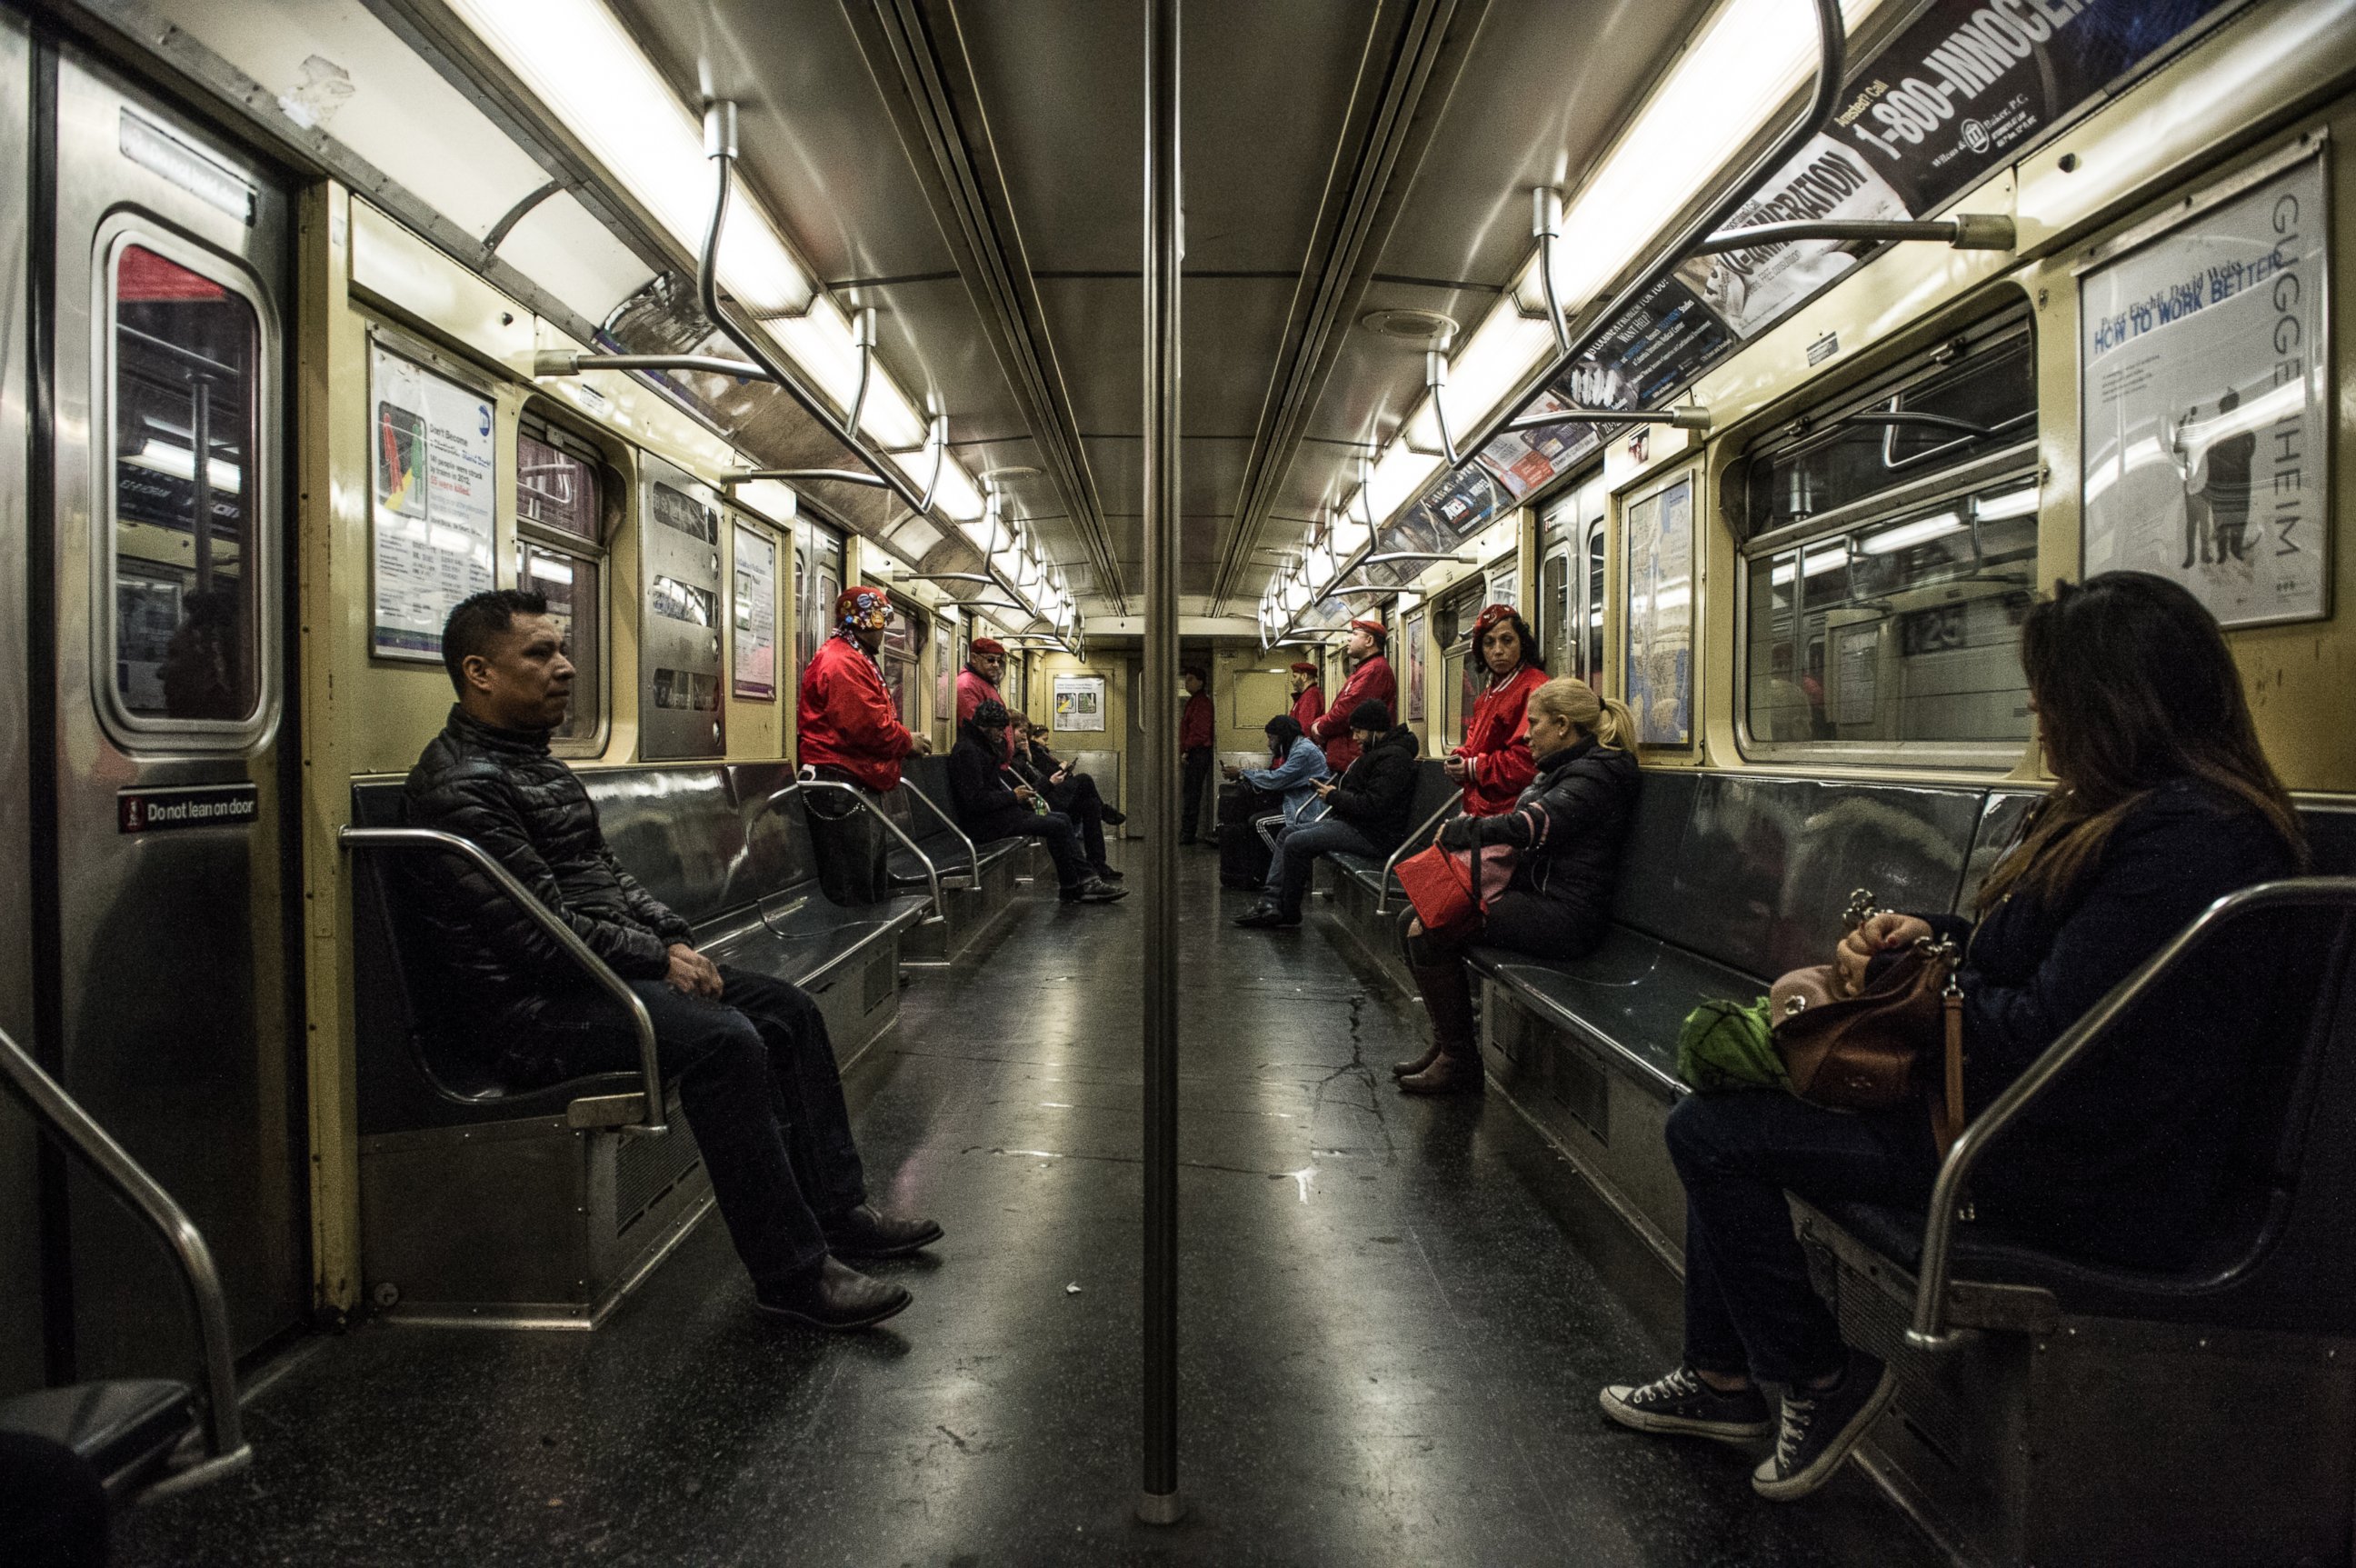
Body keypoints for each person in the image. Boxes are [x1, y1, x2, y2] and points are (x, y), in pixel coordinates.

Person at [1600, 572, 2307, 1503]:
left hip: (2077, 1166)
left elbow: (2049, 1035)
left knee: (1714, 1133)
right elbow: (2033, 960)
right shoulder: (2113, 816)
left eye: (2051, 698)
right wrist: (1928, 939)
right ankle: (1723, 1379)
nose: (2038, 719)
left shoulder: (2188, 845)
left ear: (2112, 706)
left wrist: (1915, 996)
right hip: (2013, 1121)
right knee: (1724, 1101)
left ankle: (1815, 1375)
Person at [405, 590, 940, 1332]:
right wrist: (655, 956)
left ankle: (839, 1210)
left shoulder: (540, 769)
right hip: (531, 1010)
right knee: (726, 1042)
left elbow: (610, 876)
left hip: (599, 977)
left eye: (562, 648)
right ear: (479, 673)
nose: (563, 666)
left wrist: (670, 936)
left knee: (789, 1010)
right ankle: (791, 1271)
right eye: (539, 653)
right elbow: (537, 934)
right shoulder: (463, 786)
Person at [1398, 677, 1641, 1095]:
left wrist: (1466, 829)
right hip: (1536, 897)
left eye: (1535, 723)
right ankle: (1445, 1043)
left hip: (1566, 914)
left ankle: (1460, 1061)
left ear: (1563, 725)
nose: (1527, 734)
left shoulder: (1598, 776)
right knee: (1413, 913)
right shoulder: (1566, 770)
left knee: (1429, 928)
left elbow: (1533, 825)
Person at [796, 585, 931, 905]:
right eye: (881, 622)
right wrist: (906, 740)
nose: (884, 631)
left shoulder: (853, 656)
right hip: (841, 785)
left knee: (866, 876)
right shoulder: (843, 662)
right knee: (854, 884)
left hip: (854, 781)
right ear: (867, 623)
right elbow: (867, 727)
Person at [1235, 699, 1417, 930]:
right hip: (1356, 825)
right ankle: (1271, 903)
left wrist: (1333, 796)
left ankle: (1287, 911)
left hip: (1372, 834)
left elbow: (1372, 805)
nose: (1356, 738)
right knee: (1287, 833)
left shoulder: (1394, 759)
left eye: (1359, 732)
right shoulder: (1379, 754)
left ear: (1375, 730)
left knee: (1295, 841)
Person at [949, 698, 1125, 904]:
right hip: (984, 823)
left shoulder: (981, 748)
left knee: (1061, 820)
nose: (1001, 734)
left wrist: (1018, 797)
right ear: (985, 726)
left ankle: (1075, 884)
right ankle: (1083, 883)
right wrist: (1014, 796)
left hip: (1000, 814)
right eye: (998, 729)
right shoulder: (968, 752)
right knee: (1057, 823)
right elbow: (975, 801)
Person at [1447, 605, 1546, 816]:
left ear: (1522, 643)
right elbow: (1473, 745)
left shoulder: (1534, 688)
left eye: (1507, 640)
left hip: (1509, 813)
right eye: (1489, 642)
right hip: (1479, 808)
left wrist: (1474, 768)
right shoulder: (1486, 697)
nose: (1498, 650)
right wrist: (1459, 759)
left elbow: (1528, 761)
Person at [1223, 713, 1332, 894]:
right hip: (1297, 801)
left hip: (1306, 808)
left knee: (1259, 824)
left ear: (1283, 737)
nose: (1269, 744)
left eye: (1271, 738)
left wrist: (1243, 773)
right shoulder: (1299, 748)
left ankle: (1290, 869)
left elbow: (1278, 779)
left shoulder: (1303, 751)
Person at [1010, 721, 1120, 882]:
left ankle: (1098, 863)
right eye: (1021, 732)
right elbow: (1030, 790)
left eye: (1025, 733)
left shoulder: (1028, 754)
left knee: (1091, 804)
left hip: (1045, 798)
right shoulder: (1015, 758)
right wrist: (1048, 775)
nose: (1024, 737)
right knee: (1085, 779)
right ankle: (1105, 811)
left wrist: (1028, 756)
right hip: (1039, 805)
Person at [1312, 620, 1395, 773]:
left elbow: (1348, 709)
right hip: (1348, 758)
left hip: (1354, 757)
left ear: (1369, 641)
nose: (1349, 639)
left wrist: (1320, 727)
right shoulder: (1363, 670)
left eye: (1355, 634)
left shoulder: (1374, 670)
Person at [956, 637, 1016, 762]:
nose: (996, 665)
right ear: (974, 658)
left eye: (998, 661)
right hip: (986, 760)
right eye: (990, 660)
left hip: (996, 760)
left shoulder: (984, 683)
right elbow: (976, 728)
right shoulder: (967, 685)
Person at [1178, 665, 1214, 844]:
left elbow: (1199, 732)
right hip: (1196, 752)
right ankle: (1187, 831)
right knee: (1190, 793)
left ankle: (1188, 833)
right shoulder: (1195, 701)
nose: (1187, 683)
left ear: (1201, 682)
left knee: (1192, 794)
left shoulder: (1201, 703)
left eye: (1191, 679)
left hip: (1198, 752)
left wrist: (1187, 749)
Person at [1287, 661, 1325, 732]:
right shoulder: (1305, 695)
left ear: (1304, 676)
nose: (1292, 680)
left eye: (1295, 676)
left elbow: (1304, 728)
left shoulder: (1310, 696)